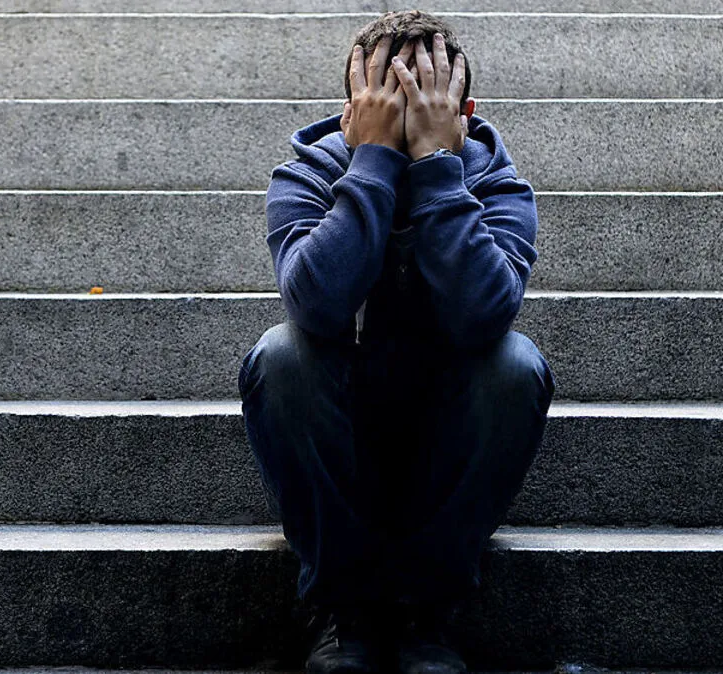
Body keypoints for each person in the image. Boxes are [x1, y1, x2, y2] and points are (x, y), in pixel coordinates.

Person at [237, 9, 556, 674]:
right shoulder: (307, 174)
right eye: (388, 102)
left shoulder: (496, 183)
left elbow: (482, 316)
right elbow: (316, 305)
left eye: (425, 103)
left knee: (516, 364)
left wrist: (437, 165)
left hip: (446, 446)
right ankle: (343, 608)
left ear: (463, 113)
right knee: (281, 355)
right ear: (351, 112)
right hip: (340, 446)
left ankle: (427, 610)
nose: (408, 118)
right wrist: (374, 161)